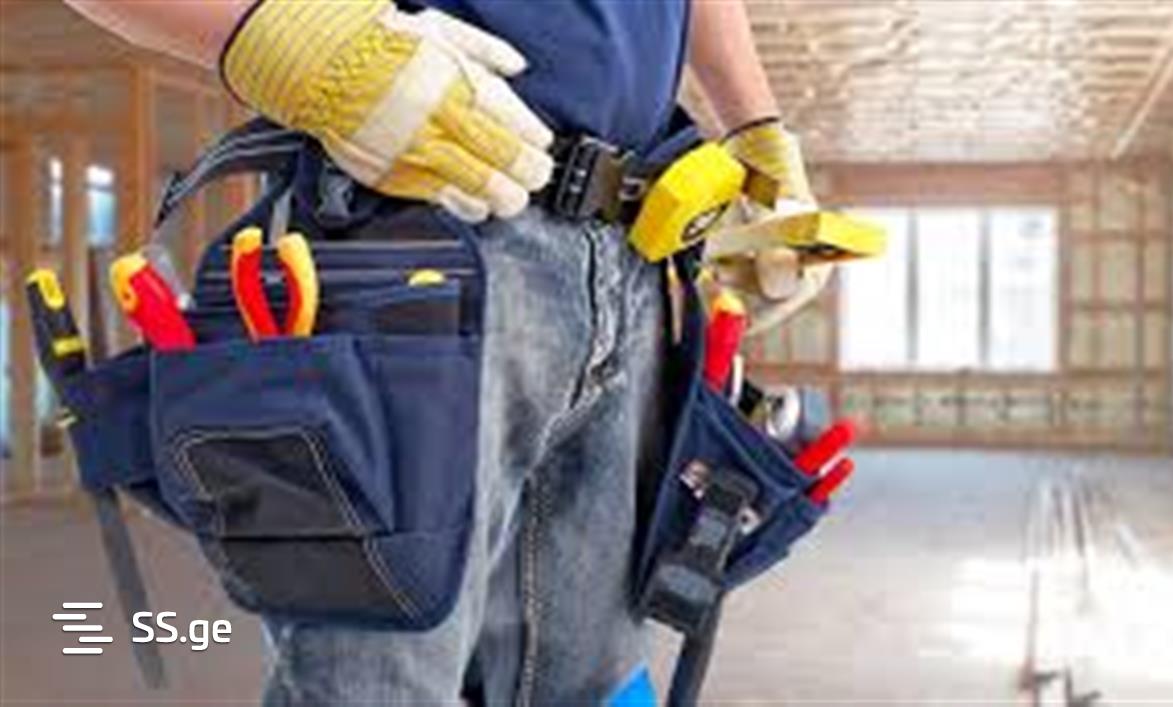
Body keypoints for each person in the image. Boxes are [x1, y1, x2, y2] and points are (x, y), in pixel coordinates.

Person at [65, 0, 831, 702]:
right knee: (379, 682)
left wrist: (755, 130)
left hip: (633, 248)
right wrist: (272, 34)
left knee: (602, 682)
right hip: (416, 223)